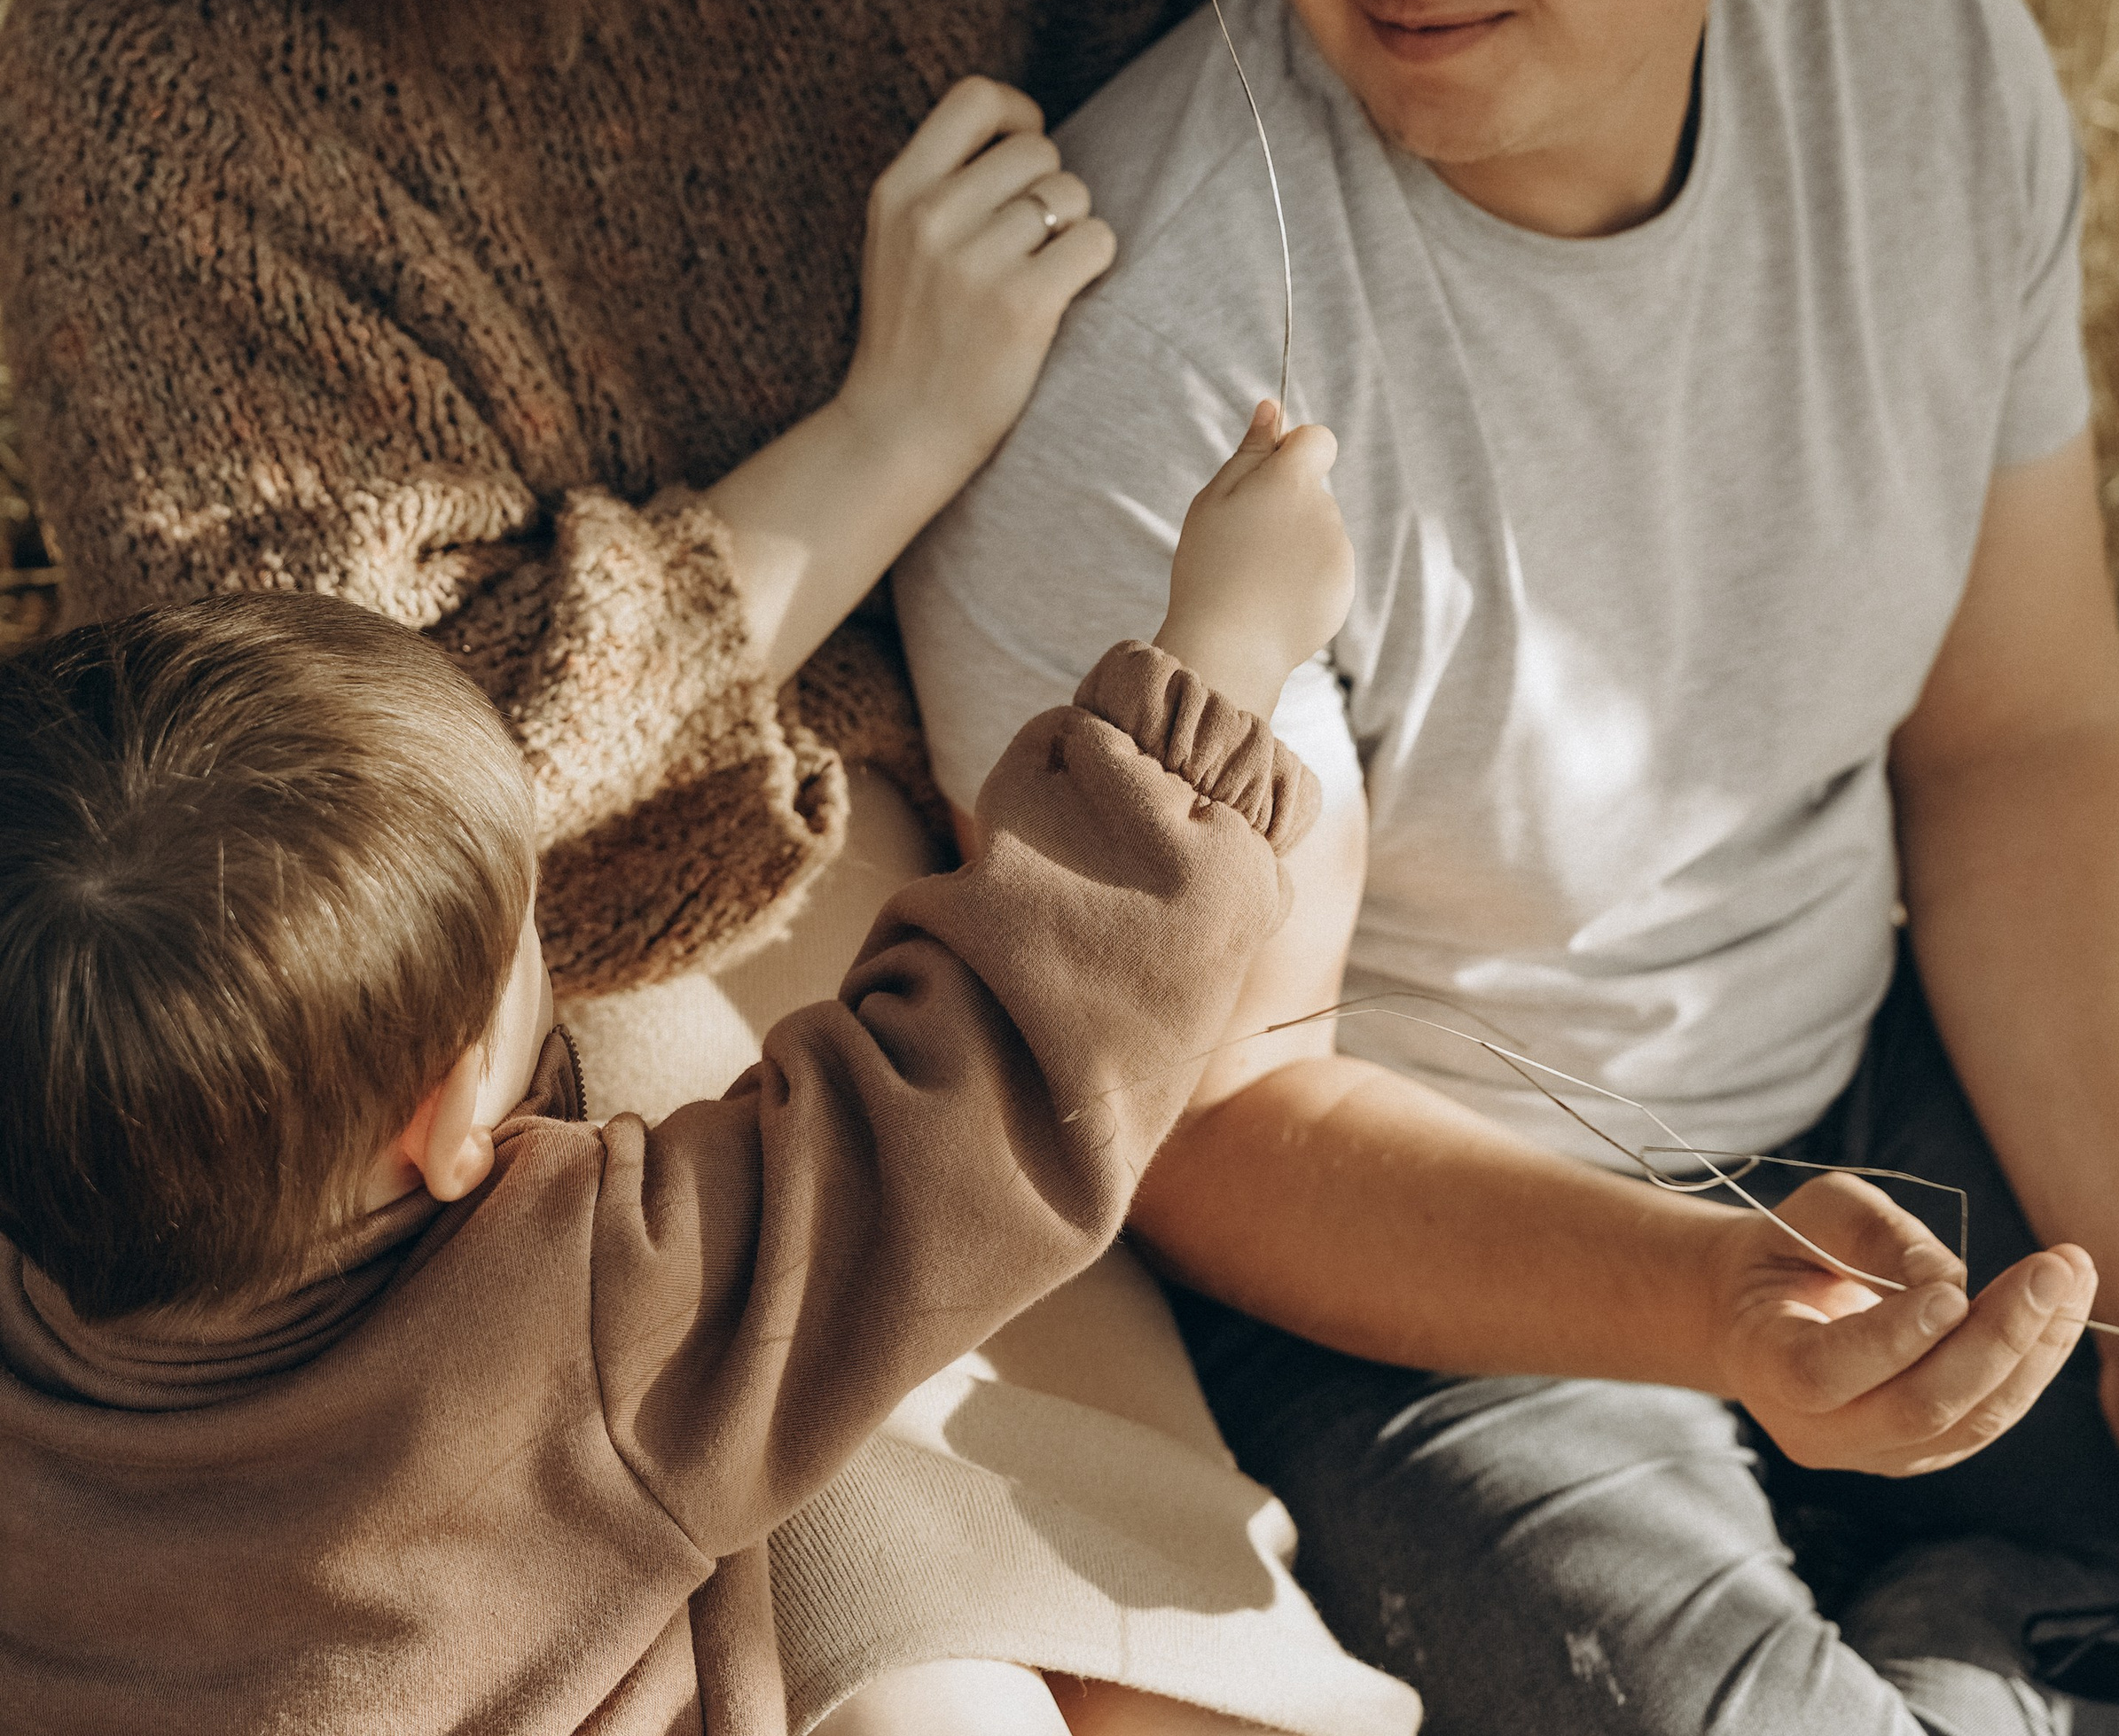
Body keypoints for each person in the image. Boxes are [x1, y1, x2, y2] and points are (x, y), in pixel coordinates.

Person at [0, 0, 1414, 1736]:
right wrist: (890, 430)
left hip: (982, 849)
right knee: (935, 1685)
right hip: (568, 990)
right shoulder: (149, 93)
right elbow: (400, 789)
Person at [898, 0, 2119, 1736]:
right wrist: (1714, 1306)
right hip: (1433, 1271)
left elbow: (2026, 736)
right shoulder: (1157, 315)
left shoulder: (1934, 65)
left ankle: (1985, 1606)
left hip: (1896, 1076)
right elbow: (1220, 1116)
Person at [0, 403, 1357, 1736]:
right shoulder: (570, 1323)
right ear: (453, 1115)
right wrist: (1222, 662)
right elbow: (960, 1100)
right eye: (530, 937)